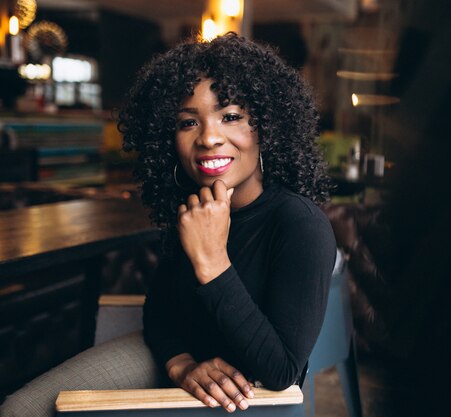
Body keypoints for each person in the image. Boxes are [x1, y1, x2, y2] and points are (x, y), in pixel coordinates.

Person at [0, 32, 336, 416]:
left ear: (267, 127)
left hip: (239, 397)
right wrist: (183, 365)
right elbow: (159, 312)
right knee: (19, 409)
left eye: (230, 117)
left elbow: (280, 371)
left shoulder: (299, 224)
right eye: (188, 122)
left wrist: (211, 261)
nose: (209, 138)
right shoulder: (191, 207)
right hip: (176, 359)